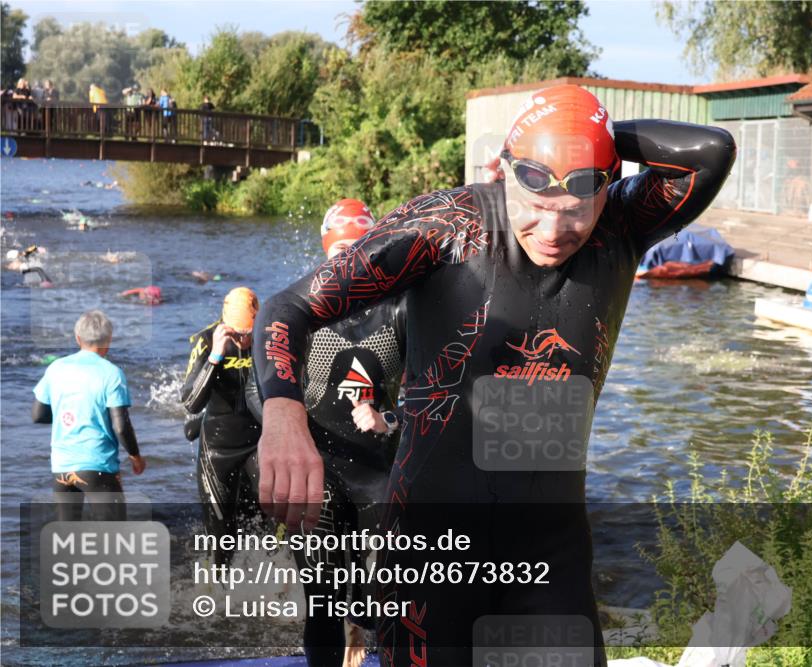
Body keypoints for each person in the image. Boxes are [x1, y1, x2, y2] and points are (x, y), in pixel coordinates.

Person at [253, 84, 736, 664]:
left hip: (549, 550)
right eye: (536, 207)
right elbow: (289, 309)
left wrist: (587, 129)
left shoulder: (623, 228)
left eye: (575, 210)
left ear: (606, 188)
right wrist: (283, 416)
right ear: (505, 172)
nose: (555, 232)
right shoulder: (445, 228)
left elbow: (711, 149)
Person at [245, 199, 407, 667]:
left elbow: (430, 395)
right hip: (320, 472)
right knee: (321, 597)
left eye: (360, 255)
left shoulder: (400, 312)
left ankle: (366, 623)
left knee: (392, 592)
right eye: (340, 255)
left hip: (379, 471)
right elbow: (260, 395)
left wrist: (388, 419)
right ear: (326, 255)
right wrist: (282, 428)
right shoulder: (299, 315)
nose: (348, 268)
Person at [32, 310, 146, 521]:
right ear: (109, 339)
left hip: (61, 467)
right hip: (98, 465)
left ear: (78, 338)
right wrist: (135, 456)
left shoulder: (56, 368)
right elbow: (120, 425)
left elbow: (38, 414)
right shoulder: (111, 373)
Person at [181, 287, 262, 567]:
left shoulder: (267, 336)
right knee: (220, 538)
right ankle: (219, 596)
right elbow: (191, 402)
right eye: (235, 333)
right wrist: (216, 355)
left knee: (269, 526)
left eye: (247, 333)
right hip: (218, 448)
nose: (242, 340)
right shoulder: (206, 340)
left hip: (258, 445)